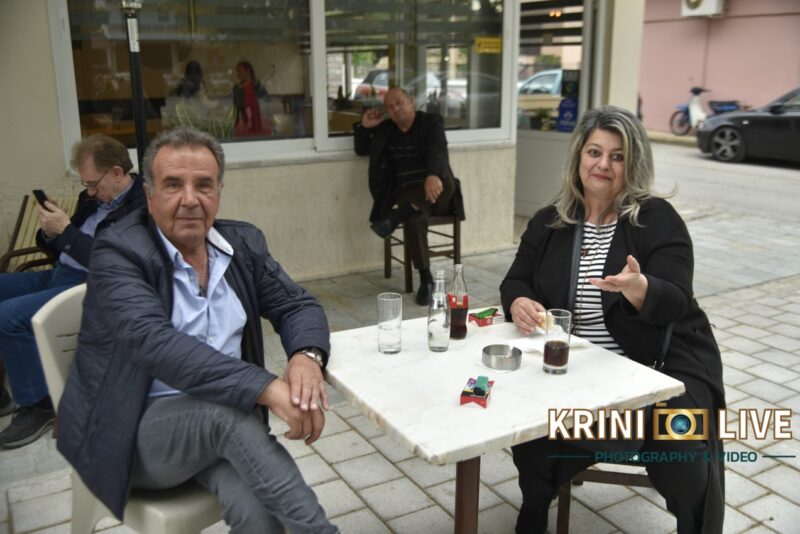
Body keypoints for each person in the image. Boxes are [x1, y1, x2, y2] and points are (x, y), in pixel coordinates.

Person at [56, 127, 338, 532]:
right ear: (149, 195)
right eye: (173, 184)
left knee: (258, 513)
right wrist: (266, 387)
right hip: (130, 435)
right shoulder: (118, 252)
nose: (190, 199)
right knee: (227, 417)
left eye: (203, 185)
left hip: (217, 433)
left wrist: (306, 357)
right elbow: (154, 342)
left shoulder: (241, 245)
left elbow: (296, 305)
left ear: (218, 192)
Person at [500, 106, 725, 533]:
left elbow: (677, 299)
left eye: (617, 156)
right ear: (578, 157)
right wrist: (518, 302)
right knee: (531, 422)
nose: (603, 164)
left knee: (684, 445)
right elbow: (515, 280)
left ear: (633, 163)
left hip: (661, 366)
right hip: (578, 365)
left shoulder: (657, 219)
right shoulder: (550, 221)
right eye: (594, 152)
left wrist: (638, 288)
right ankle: (535, 507)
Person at [0, 134, 146, 449]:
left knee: (8, 317)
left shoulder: (143, 205)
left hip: (91, 287)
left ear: (117, 173)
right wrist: (49, 232)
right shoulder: (91, 199)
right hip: (59, 273)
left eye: (93, 183)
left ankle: (39, 405)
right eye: (86, 184)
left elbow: (112, 262)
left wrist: (65, 231)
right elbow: (61, 246)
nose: (89, 191)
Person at [354, 87, 462, 306]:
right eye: (390, 107)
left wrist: (432, 175)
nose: (395, 109)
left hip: (441, 192)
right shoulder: (386, 130)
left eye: (399, 102)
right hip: (408, 194)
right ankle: (426, 279)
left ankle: (395, 217)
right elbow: (361, 149)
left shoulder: (431, 122)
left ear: (411, 101)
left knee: (444, 178)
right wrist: (365, 126)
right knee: (413, 219)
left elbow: (438, 150)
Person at [232, 60, 271, 136]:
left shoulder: (258, 86)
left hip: (260, 123)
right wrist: (235, 124)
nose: (238, 74)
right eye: (237, 71)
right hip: (245, 124)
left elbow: (267, 100)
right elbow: (236, 107)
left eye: (239, 71)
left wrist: (256, 86)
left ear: (248, 70)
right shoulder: (237, 88)